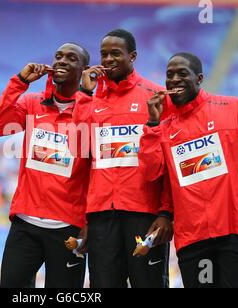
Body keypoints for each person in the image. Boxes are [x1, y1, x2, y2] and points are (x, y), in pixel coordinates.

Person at [140, 52, 238, 288]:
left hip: (236, 230)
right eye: (169, 75)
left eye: (182, 73)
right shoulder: (163, 129)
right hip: (192, 238)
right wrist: (153, 124)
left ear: (200, 78)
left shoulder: (234, 109)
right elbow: (155, 175)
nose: (174, 79)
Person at [73, 29, 173, 288]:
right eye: (104, 54)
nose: (107, 60)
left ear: (133, 56)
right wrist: (84, 95)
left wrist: (165, 212)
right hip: (102, 215)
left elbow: (168, 164)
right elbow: (78, 148)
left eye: (116, 53)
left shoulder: (156, 96)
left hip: (144, 214)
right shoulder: (91, 100)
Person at [0, 43, 91, 288]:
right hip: (26, 223)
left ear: (84, 69)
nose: (62, 61)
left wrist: (90, 223)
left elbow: (96, 167)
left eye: (71, 58)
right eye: (58, 56)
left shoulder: (93, 110)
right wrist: (20, 82)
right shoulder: (33, 103)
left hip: (68, 227)